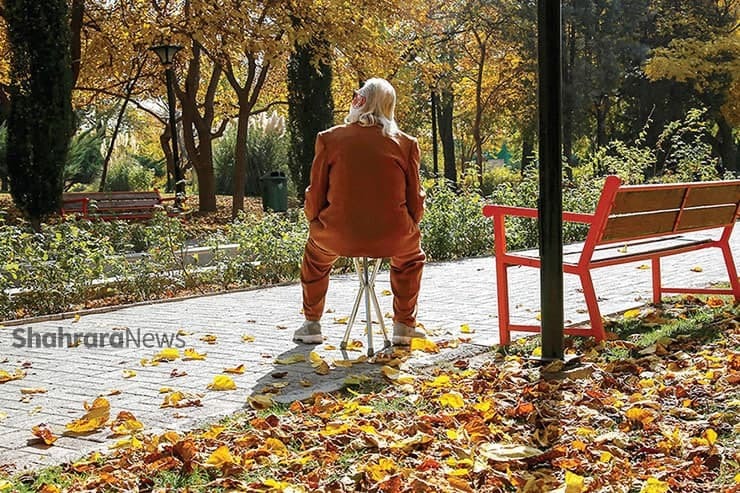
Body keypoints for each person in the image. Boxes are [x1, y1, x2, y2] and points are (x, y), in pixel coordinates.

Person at [293, 77, 427, 346]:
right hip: (394, 235)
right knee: (410, 260)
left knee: (315, 259)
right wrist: (410, 223)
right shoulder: (406, 143)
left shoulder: (329, 138)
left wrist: (316, 222)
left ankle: (312, 325)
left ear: (360, 101)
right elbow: (415, 200)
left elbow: (315, 193)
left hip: (337, 234)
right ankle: (403, 325)